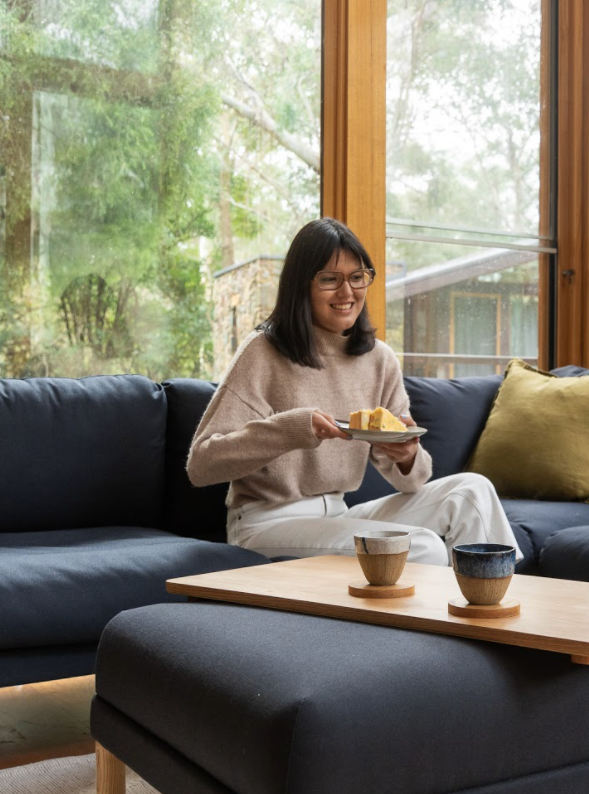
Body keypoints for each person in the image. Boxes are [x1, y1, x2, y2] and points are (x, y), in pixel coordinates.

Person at [186, 217, 519, 565]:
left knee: (472, 491)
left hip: (338, 514)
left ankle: (495, 607)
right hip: (266, 523)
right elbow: (202, 464)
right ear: (302, 286)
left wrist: (405, 456)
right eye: (330, 279)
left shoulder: (379, 359)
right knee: (421, 546)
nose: (347, 292)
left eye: (357, 277)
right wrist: (293, 429)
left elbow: (413, 481)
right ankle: (442, 619)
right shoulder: (263, 351)